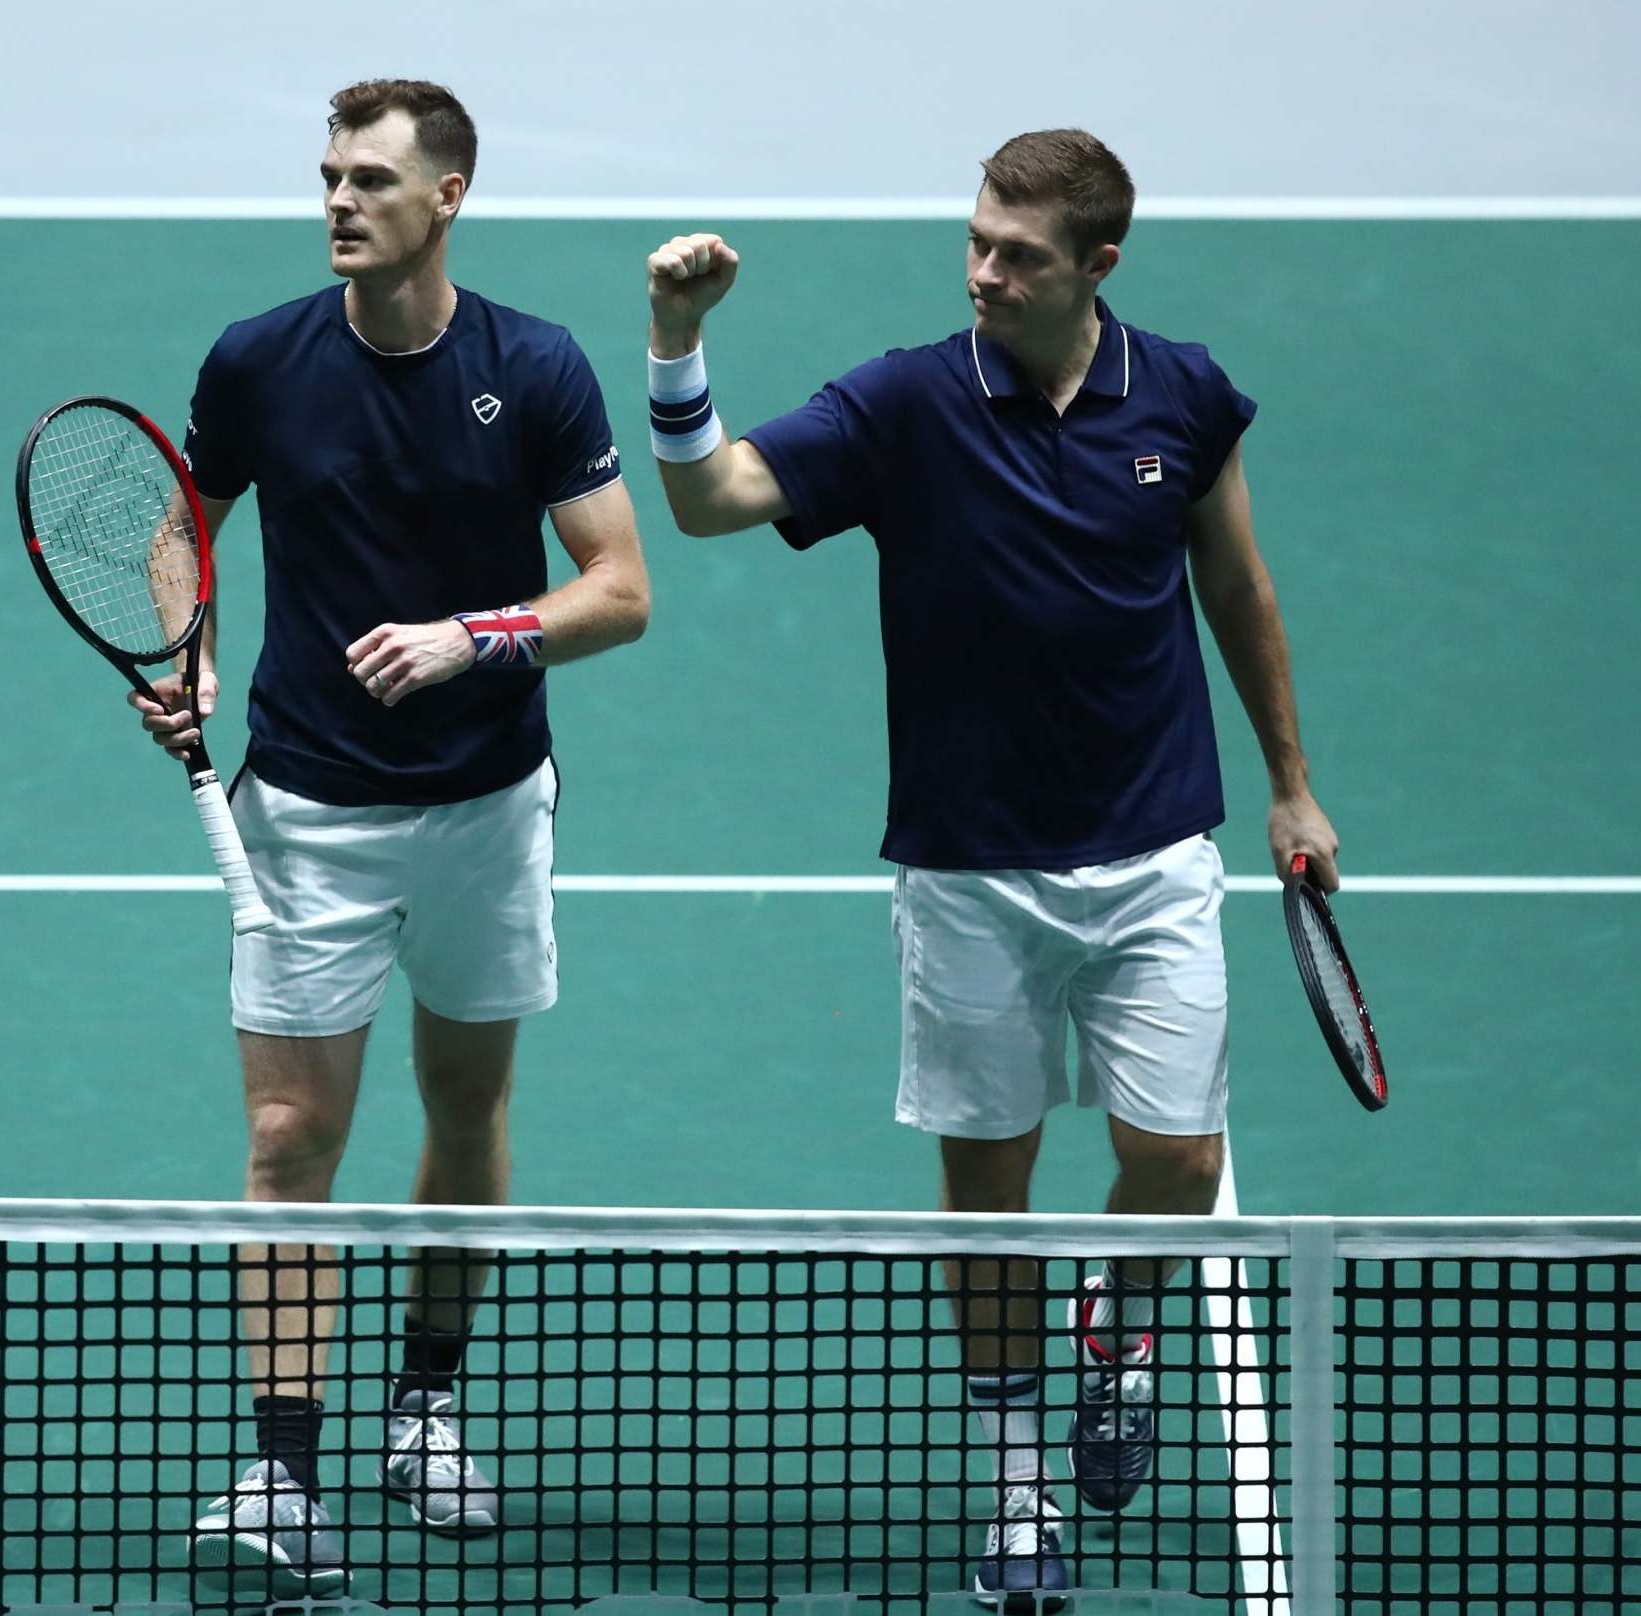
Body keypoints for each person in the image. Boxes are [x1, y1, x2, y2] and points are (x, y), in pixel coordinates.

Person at [643, 129, 1338, 1612]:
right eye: (974, 240)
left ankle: (1122, 1316)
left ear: (1097, 265)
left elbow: (1237, 583)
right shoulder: (907, 399)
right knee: (989, 1198)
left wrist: (1289, 781)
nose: (982, 271)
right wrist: (678, 349)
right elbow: (709, 501)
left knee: (1174, 1161)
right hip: (969, 873)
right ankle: (1021, 1489)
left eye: (1016, 253)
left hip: (1157, 851)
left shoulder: (1187, 396)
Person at [138, 78, 650, 1597]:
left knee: (465, 1114)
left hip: (489, 806)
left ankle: (426, 1405)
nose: (339, 201)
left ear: (449, 197)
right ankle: (283, 1470)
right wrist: (187, 653)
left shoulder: (533, 368)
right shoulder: (260, 361)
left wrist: (474, 639)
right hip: (306, 807)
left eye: (370, 179)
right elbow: (185, 519)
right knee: (292, 1142)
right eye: (328, 176)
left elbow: (619, 589)